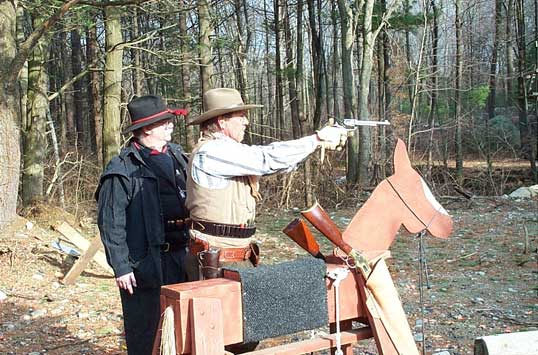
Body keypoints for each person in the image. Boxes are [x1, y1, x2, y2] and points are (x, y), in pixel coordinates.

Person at [184, 87, 347, 277]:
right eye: (241, 116)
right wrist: (316, 139)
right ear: (222, 122)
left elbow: (278, 164)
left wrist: (313, 145)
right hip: (214, 262)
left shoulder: (227, 151)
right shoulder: (211, 152)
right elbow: (266, 159)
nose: (246, 122)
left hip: (231, 258)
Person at [96, 95, 190, 355]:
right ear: (147, 128)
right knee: (146, 330)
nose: (171, 125)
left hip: (183, 257)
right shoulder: (122, 169)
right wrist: (121, 266)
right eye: (164, 122)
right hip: (145, 263)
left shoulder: (178, 156)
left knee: (186, 325)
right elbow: (110, 222)